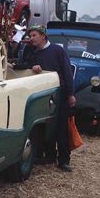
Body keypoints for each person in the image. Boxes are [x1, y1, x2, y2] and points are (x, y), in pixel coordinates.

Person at [26, 25, 76, 172]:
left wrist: (70, 94)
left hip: (58, 93)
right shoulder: (33, 53)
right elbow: (27, 66)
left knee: (61, 127)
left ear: (43, 36)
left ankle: (64, 160)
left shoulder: (57, 51)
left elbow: (67, 72)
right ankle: (48, 156)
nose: (31, 38)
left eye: (34, 35)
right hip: (43, 93)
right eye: (30, 35)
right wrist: (32, 67)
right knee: (46, 126)